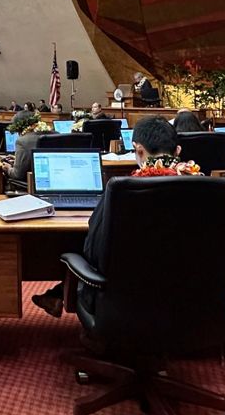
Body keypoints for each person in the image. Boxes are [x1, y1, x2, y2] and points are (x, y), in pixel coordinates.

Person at [30, 117, 198, 317]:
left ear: (139, 150)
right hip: (189, 298)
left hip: (125, 302)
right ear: (178, 151)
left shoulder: (121, 191)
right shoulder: (207, 190)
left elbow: (92, 250)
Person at [2, 110, 52, 187]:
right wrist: (18, 159)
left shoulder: (22, 141)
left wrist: (8, 168)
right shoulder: (55, 134)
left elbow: (17, 175)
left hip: (30, 184)